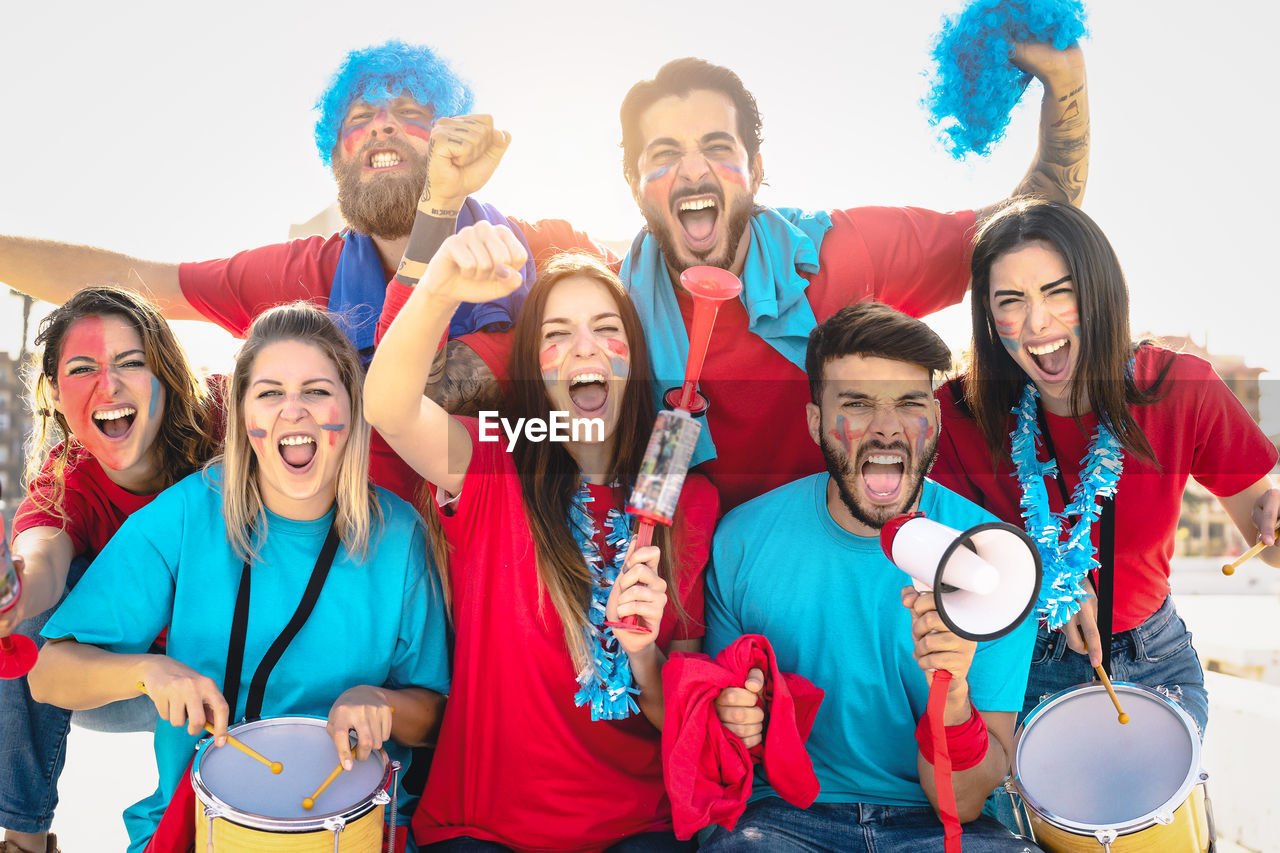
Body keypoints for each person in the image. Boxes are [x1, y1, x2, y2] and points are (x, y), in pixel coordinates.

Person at [434, 41, 1089, 512]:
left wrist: (1067, 78)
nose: (693, 172)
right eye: (664, 155)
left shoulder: (838, 252)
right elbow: (422, 394)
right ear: (633, 184)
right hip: (690, 609)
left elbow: (1037, 223)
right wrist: (439, 207)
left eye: (718, 148)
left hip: (849, 565)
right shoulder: (604, 317)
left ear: (757, 166)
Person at [0, 39, 613, 503]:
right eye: (359, 118)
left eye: (408, 110)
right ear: (334, 153)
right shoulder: (305, 274)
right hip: (367, 581)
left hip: (520, 571)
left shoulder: (551, 255)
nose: (383, 123)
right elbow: (140, 282)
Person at [27, 302, 451, 853]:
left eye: (318, 391)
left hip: (352, 832)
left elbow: (435, 716)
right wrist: (148, 672)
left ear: (353, 409)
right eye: (269, 392)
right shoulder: (186, 514)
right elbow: (48, 676)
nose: (292, 411)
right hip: (195, 829)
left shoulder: (400, 535)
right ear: (243, 415)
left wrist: (382, 704)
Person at [364, 224, 718, 852]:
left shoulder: (689, 500)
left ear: (633, 356)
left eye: (606, 329)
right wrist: (443, 282)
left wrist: (642, 654)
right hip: (483, 826)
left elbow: (674, 719)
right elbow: (389, 406)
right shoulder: (495, 457)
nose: (585, 349)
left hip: (638, 825)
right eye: (557, 335)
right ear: (533, 368)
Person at [931, 199, 1280, 734]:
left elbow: (1270, 544)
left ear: (1098, 289)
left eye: (1058, 291)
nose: (1037, 322)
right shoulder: (957, 413)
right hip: (1019, 664)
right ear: (988, 317)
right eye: (1011, 301)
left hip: (1155, 661)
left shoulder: (1179, 388)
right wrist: (1039, 578)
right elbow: (941, 563)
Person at [702, 303, 1038, 852]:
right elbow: (723, 744)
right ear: (816, 423)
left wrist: (951, 703)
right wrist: (735, 717)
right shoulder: (742, 542)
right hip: (784, 817)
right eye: (857, 404)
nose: (886, 427)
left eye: (908, 404)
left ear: (933, 416)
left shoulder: (996, 561)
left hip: (935, 823)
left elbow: (967, 800)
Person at [0, 286, 221, 853]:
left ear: (167, 373)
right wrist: (13, 588)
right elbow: (43, 558)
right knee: (22, 627)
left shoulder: (233, 420)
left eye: (131, 362)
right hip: (133, 682)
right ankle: (21, 840)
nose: (109, 386)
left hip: (247, 664)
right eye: (82, 369)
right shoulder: (65, 481)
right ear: (52, 390)